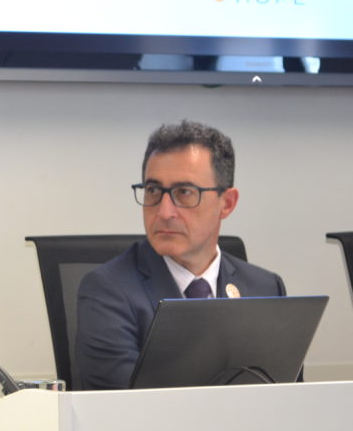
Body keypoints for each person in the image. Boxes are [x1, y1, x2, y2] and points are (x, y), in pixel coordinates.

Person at [74, 120, 287, 390]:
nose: (164, 212)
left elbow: (289, 405)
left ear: (227, 203)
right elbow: (127, 413)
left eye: (184, 192)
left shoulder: (266, 289)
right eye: (153, 191)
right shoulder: (107, 292)